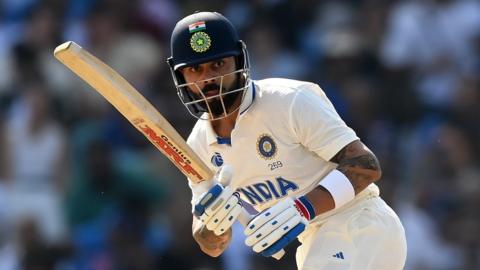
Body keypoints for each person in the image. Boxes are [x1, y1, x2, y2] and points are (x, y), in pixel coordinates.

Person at [167, 11, 407, 269]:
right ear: (181, 77)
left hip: (361, 223)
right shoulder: (198, 144)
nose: (208, 79)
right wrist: (214, 222)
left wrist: (303, 208)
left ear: (238, 61)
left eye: (218, 65)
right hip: (315, 241)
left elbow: (366, 166)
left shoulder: (288, 100)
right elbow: (211, 245)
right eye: (195, 70)